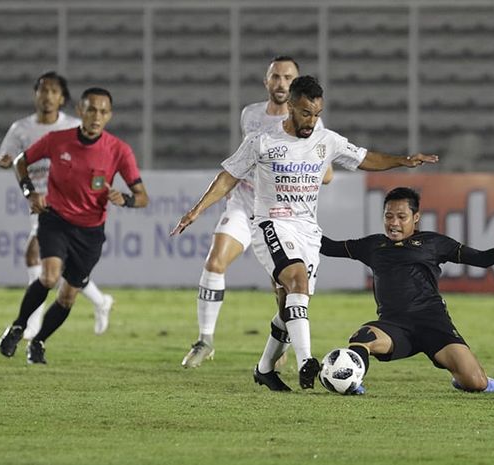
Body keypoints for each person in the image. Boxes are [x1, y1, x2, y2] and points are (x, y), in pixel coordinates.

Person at [171, 76, 438, 391]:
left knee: (291, 306)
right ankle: (307, 361)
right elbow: (227, 177)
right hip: (271, 223)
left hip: (308, 231)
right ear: (291, 108)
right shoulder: (262, 140)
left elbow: (365, 158)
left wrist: (402, 161)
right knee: (296, 280)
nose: (311, 120)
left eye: (316, 113)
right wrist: (197, 211)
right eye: (305, 113)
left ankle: (264, 368)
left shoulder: (326, 140)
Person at [320, 187, 494, 394]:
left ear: (416, 217)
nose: (394, 223)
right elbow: (328, 247)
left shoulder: (434, 243)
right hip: (394, 326)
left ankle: (465, 377)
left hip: (434, 324)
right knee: (362, 338)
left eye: (401, 217)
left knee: (476, 383)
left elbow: (483, 259)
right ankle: (351, 382)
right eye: (388, 216)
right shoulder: (373, 245)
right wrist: (295, 224)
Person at [181, 56, 333, 368]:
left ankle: (282, 346)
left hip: (282, 212)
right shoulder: (250, 115)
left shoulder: (310, 121)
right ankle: (205, 340)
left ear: (296, 86)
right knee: (215, 261)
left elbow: (327, 173)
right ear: (267, 81)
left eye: (288, 77)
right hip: (244, 203)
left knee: (283, 288)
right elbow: (242, 160)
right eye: (275, 76)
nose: (281, 83)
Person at [0, 87, 149, 364]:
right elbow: (21, 161)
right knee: (49, 277)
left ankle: (39, 342)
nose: (96, 116)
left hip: (90, 232)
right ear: (80, 111)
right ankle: (18, 327)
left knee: (67, 297)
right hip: (55, 220)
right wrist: (30, 192)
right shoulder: (57, 140)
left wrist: (124, 199)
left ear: (110, 115)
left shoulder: (118, 150)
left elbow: (143, 198)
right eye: (91, 109)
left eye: (103, 111)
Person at [0, 71, 114, 338]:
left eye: (53, 91)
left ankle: (32, 323)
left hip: (64, 203)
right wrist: (5, 160)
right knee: (57, 267)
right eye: (43, 90)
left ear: (62, 98)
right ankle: (100, 301)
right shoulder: (21, 128)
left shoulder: (72, 126)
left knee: (36, 257)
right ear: (35, 94)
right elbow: (11, 157)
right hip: (37, 200)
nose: (47, 96)